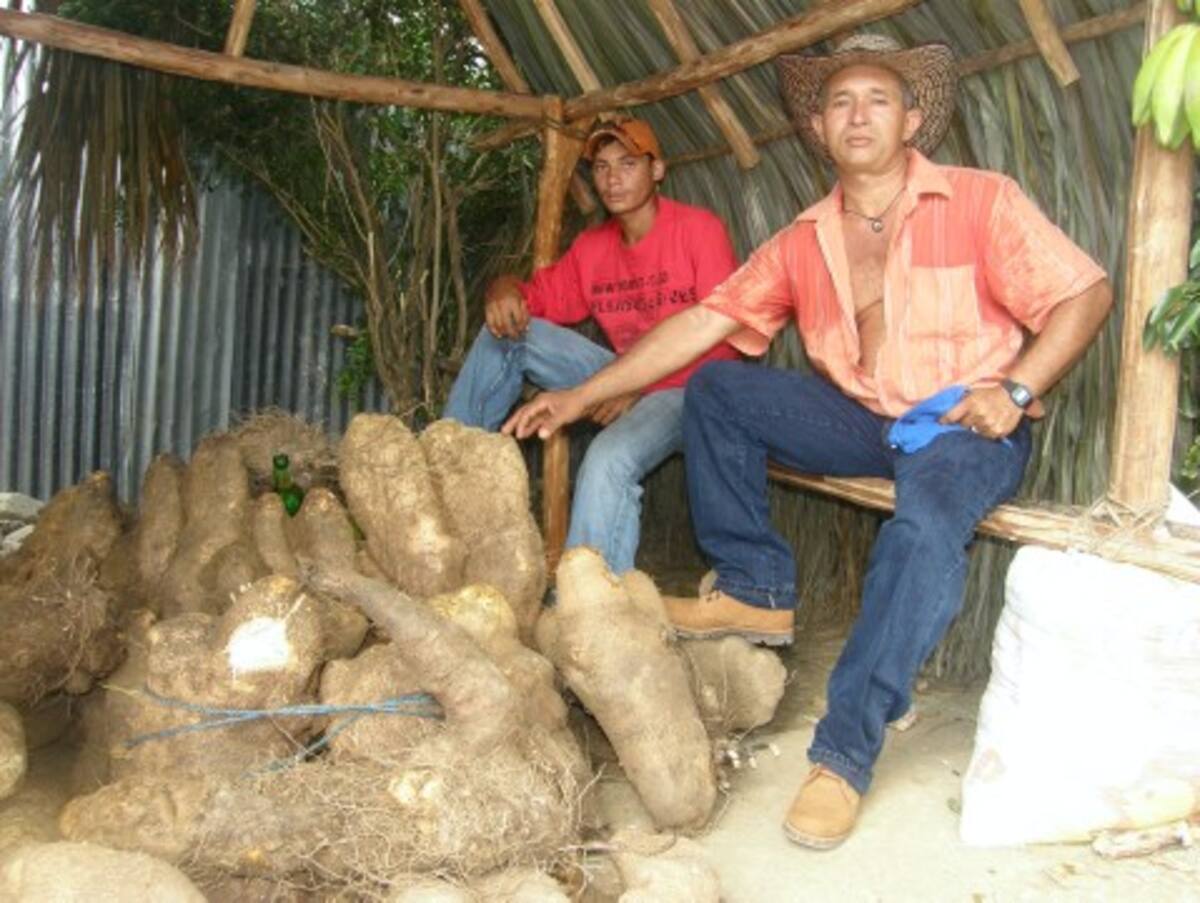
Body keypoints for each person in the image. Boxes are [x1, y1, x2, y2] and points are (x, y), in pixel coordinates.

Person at [502, 35, 1112, 849]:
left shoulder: (980, 199)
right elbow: (702, 324)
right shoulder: (803, 237)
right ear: (818, 128)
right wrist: (581, 394)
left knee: (926, 524)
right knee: (718, 389)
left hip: (965, 423)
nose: (858, 114)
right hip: (865, 418)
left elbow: (1085, 291)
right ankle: (756, 584)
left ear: (913, 119)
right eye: (840, 102)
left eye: (878, 99)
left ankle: (845, 753)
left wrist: (1019, 387)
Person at [443, 117, 740, 576]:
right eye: (601, 167)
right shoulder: (592, 249)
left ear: (656, 170)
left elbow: (725, 343)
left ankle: (589, 602)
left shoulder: (700, 231)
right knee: (506, 333)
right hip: (622, 376)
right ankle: (447, 482)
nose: (612, 178)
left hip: (693, 391)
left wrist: (632, 387)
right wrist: (502, 289)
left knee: (607, 457)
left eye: (627, 163)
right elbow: (533, 300)